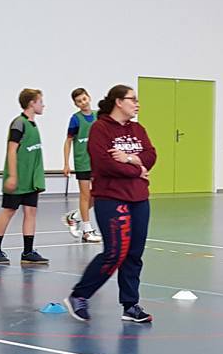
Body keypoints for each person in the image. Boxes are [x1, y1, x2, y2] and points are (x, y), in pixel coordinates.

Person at [63, 85, 156, 323]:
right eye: (132, 99)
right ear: (118, 102)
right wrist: (138, 169)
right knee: (115, 252)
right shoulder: (100, 129)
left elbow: (151, 156)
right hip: (112, 198)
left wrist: (130, 158)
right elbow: (105, 164)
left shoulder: (138, 129)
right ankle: (79, 295)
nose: (137, 104)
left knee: (134, 254)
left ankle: (130, 305)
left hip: (139, 199)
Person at [0, 88, 49, 265]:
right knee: (9, 210)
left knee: (31, 211)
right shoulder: (19, 123)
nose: (43, 105)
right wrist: (12, 176)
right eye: (40, 101)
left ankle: (28, 251)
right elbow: (12, 150)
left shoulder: (33, 124)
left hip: (30, 180)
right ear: (31, 103)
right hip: (18, 178)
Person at [62, 87, 102, 243]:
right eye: (79, 101)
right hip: (83, 162)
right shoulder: (75, 119)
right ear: (76, 104)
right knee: (85, 195)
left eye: (84, 99)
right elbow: (68, 141)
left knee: (99, 193)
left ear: (89, 98)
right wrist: (66, 163)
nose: (83, 103)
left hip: (97, 162)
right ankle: (87, 230)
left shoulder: (99, 116)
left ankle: (75, 217)